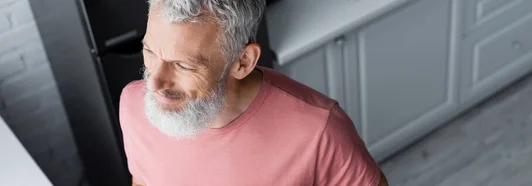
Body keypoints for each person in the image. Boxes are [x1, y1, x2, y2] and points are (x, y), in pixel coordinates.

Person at [119, 0, 388, 185]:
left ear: (243, 61)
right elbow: (144, 180)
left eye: (183, 65)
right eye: (150, 52)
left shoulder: (319, 129)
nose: (154, 83)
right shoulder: (134, 105)